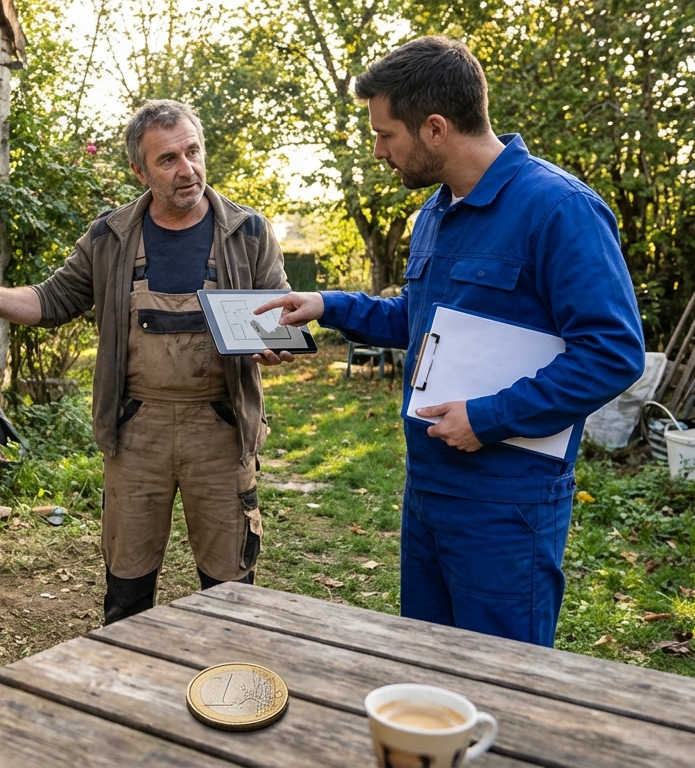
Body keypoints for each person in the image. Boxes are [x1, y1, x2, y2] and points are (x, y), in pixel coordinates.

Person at [257, 36, 645, 646]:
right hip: (428, 488)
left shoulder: (559, 210)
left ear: (435, 128)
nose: (380, 152)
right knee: (430, 668)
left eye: (387, 135)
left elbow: (612, 353)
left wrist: (489, 418)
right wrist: (327, 306)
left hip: (507, 502)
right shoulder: (435, 213)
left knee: (500, 679)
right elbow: (418, 319)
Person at [0, 100, 291, 623]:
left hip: (221, 430)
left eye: (193, 152)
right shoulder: (111, 236)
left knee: (231, 592)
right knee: (128, 590)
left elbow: (281, 315)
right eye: (168, 160)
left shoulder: (247, 232)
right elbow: (52, 299)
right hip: (136, 431)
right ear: (140, 171)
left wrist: (277, 345)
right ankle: (123, 691)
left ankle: (231, 696)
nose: (188, 170)